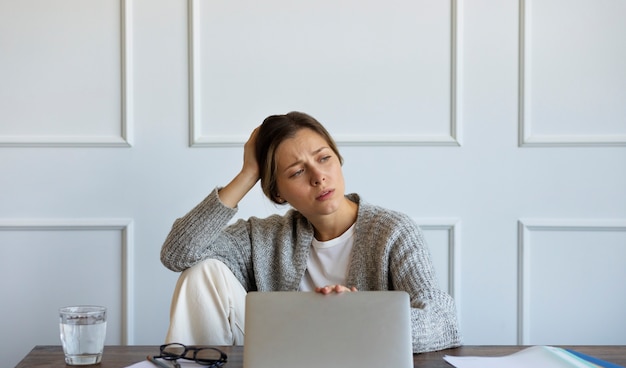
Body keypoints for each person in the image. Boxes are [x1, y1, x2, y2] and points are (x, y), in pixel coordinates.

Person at [160, 111, 461, 353]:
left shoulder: (392, 232)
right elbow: (177, 254)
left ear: (338, 159)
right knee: (202, 272)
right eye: (297, 172)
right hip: (282, 360)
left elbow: (444, 323)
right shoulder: (262, 238)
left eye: (323, 158)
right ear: (277, 193)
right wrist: (248, 173)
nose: (319, 177)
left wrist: (360, 317)